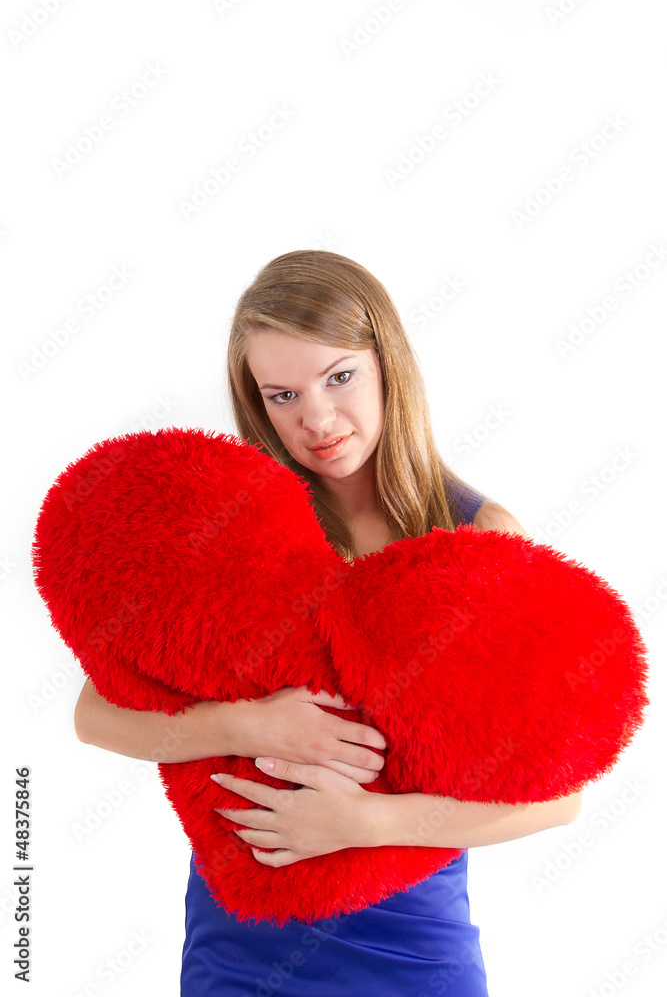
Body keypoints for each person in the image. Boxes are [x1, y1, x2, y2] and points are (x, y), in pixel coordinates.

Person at [74, 250, 583, 995]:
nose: (314, 420)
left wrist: (367, 825)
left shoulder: (478, 539)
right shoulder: (232, 531)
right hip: (241, 942)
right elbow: (94, 715)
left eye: (338, 378)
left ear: (387, 363)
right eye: (282, 395)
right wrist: (249, 727)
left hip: (412, 950)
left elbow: (558, 797)